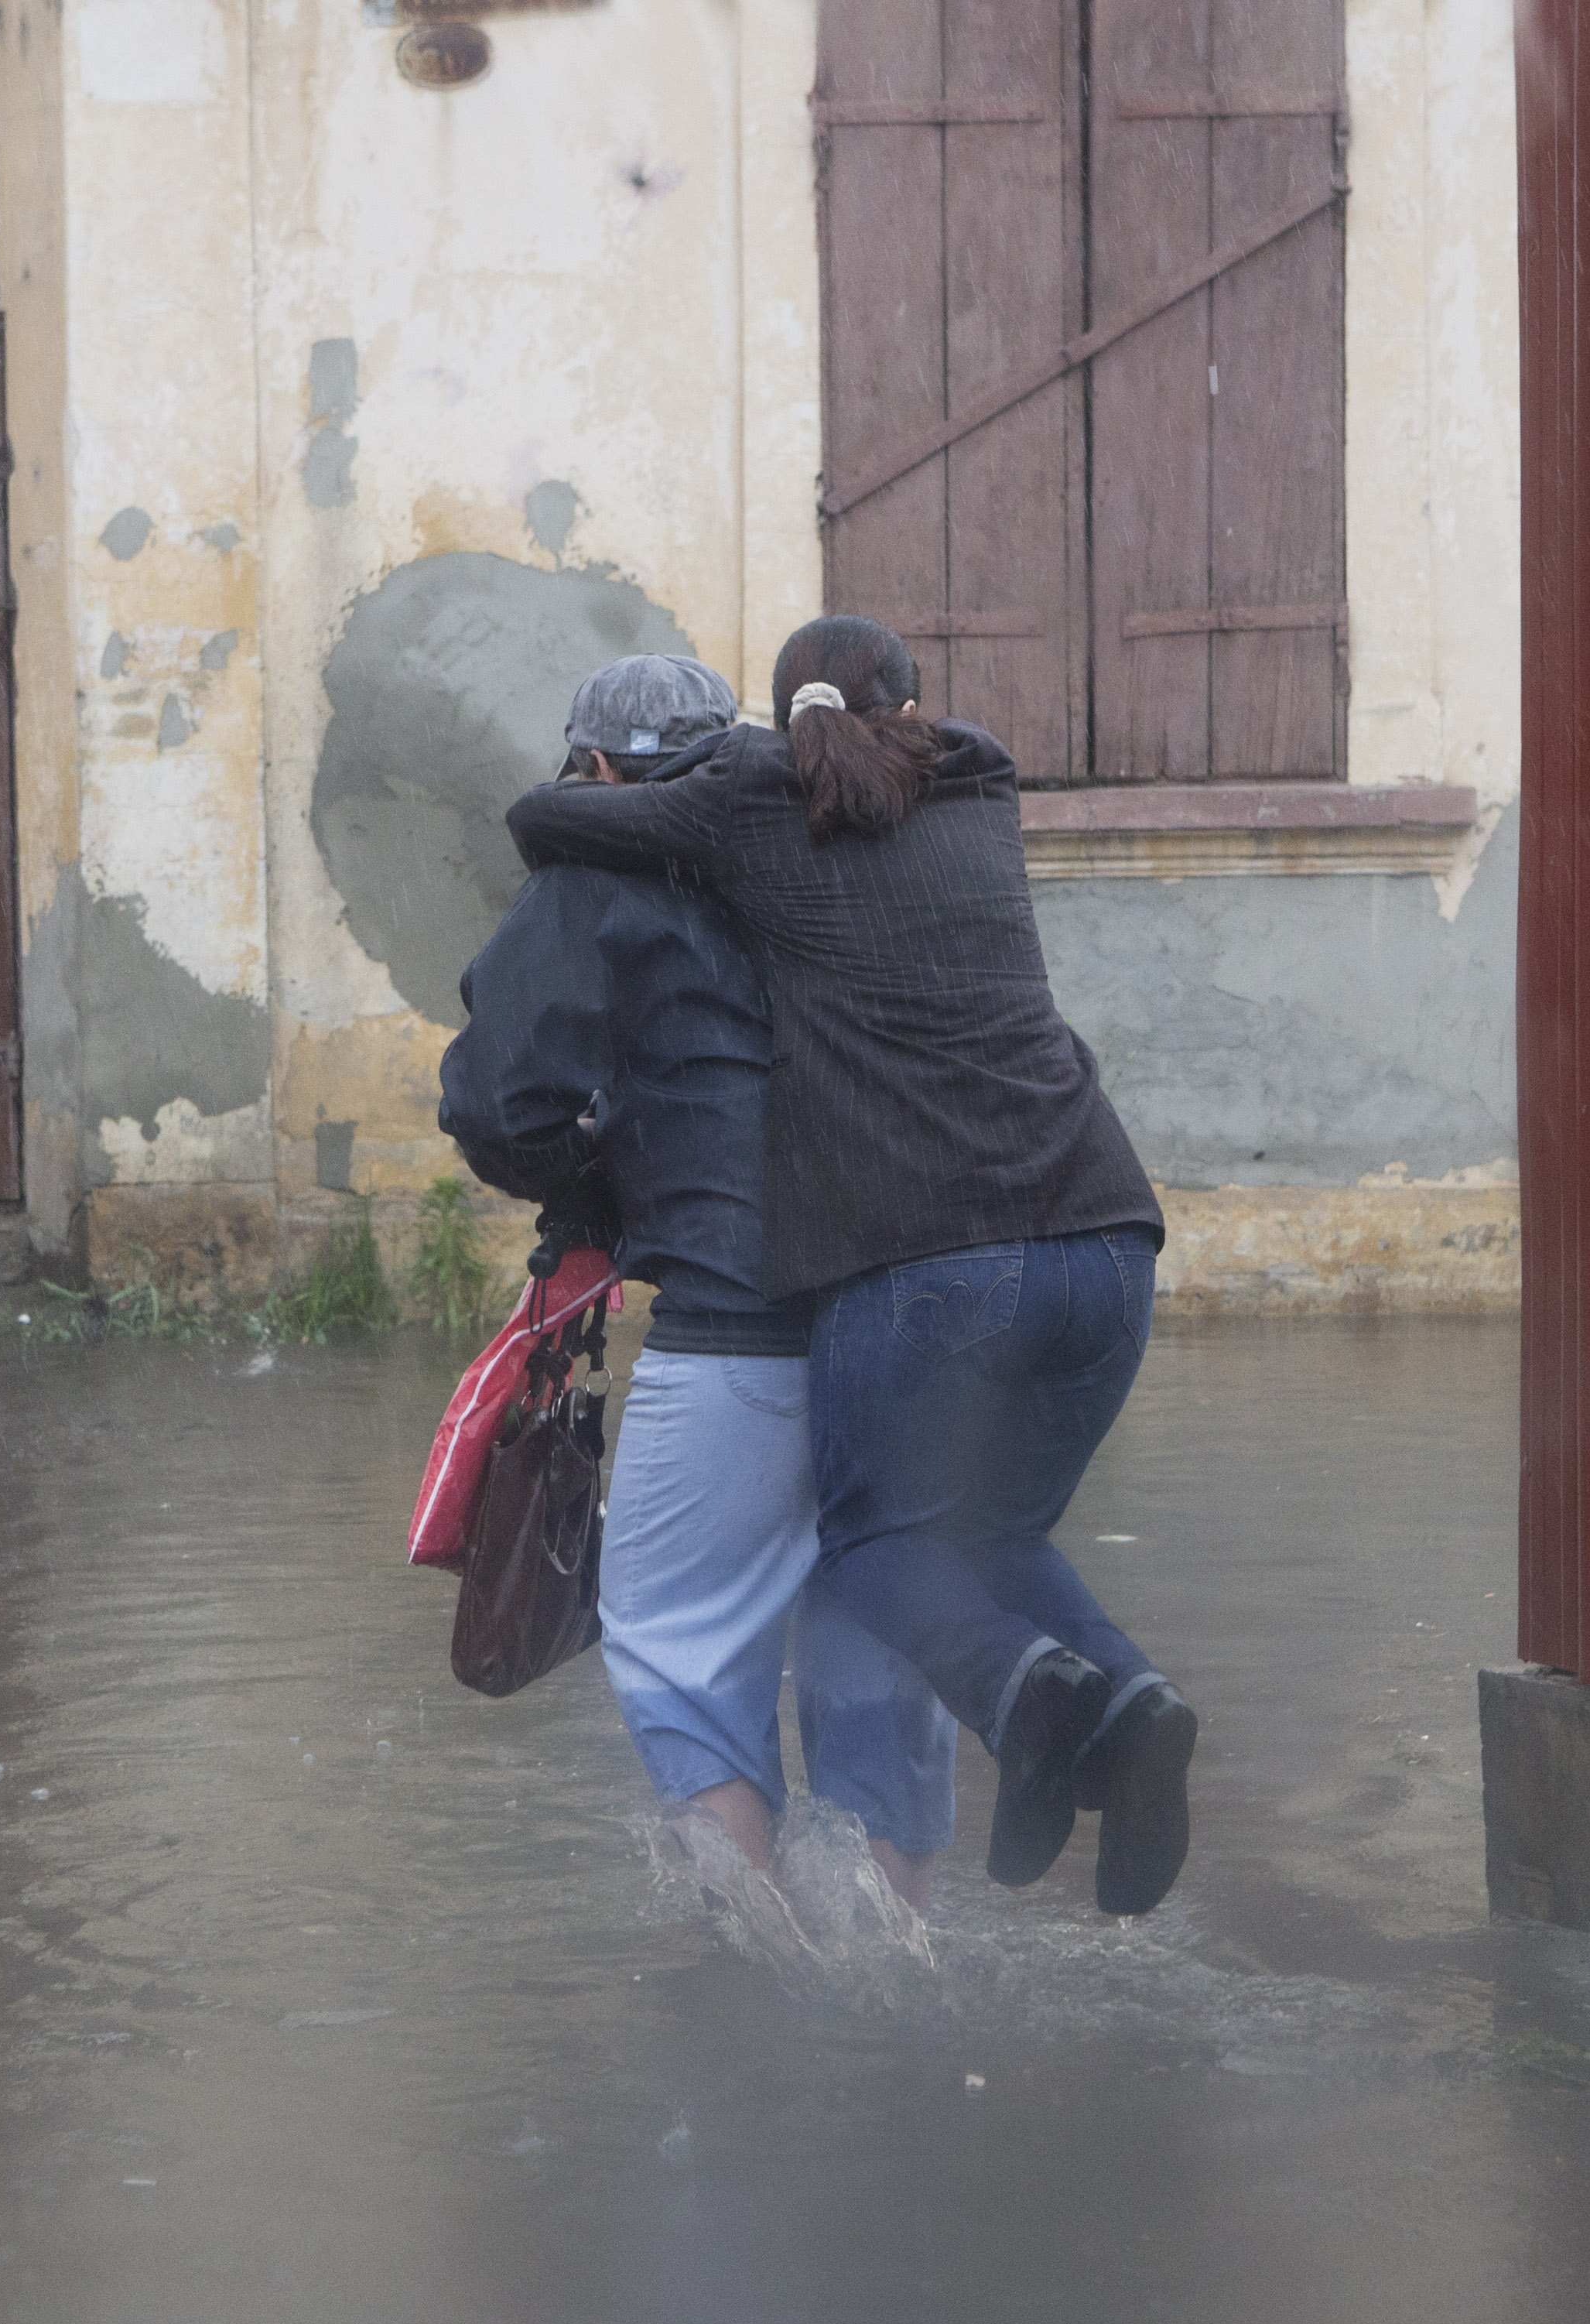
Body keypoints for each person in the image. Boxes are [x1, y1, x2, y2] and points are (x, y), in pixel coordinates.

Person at [499, 616, 1196, 1918]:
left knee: (834, 1570)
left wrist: (596, 1191)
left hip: (902, 1272)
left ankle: (792, 1941)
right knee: (971, 1542)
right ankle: (1102, 1725)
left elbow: (554, 851)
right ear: (917, 716)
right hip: (1106, 1239)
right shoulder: (977, 791)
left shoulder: (734, 826)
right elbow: (937, 748)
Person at [440, 653, 957, 1923]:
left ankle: (762, 1999)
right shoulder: (828, 854)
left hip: (738, 1330)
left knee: (678, 1644)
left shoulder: (592, 879)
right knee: (878, 1644)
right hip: (916, 1319)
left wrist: (602, 1194)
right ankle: (900, 1985)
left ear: (598, 774)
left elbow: (498, 1102)